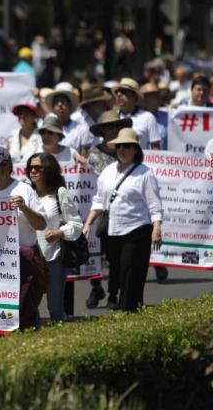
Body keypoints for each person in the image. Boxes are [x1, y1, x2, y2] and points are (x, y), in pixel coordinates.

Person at [83, 128, 162, 312]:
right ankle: (133, 307)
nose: (122, 149)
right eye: (119, 146)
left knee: (130, 269)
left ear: (135, 149)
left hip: (137, 230)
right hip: (112, 230)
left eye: (127, 146)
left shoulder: (145, 173)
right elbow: (98, 201)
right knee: (118, 271)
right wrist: (88, 223)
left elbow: (154, 204)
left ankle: (128, 310)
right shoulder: (108, 171)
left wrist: (157, 227)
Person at [0, 146, 46, 329]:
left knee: (23, 313)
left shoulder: (24, 190)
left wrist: (24, 208)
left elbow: (41, 225)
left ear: (6, 167)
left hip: (23, 263)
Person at [84, 111, 133, 309]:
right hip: (97, 209)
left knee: (115, 256)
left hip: (121, 211)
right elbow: (87, 181)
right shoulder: (94, 153)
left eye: (116, 126)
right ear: (102, 130)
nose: (112, 130)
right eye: (108, 126)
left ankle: (114, 292)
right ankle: (96, 287)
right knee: (93, 252)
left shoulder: (127, 150)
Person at [26, 153, 83, 323]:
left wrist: (60, 232)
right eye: (30, 167)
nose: (33, 170)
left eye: (38, 167)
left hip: (54, 257)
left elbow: (76, 223)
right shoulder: (26, 193)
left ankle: (61, 342)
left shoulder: (60, 193)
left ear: (49, 170)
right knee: (29, 306)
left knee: (55, 307)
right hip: (31, 258)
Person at [44, 83, 93, 157]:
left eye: (63, 101)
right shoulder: (46, 130)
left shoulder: (82, 129)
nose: (60, 104)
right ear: (53, 107)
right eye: (56, 102)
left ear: (70, 105)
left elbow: (84, 159)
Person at [115, 78, 161, 150]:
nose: (119, 94)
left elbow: (155, 148)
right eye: (117, 91)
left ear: (134, 96)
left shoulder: (148, 117)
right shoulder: (112, 117)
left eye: (123, 91)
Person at [139, 83, 168, 150]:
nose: (158, 99)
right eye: (154, 97)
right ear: (144, 100)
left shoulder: (167, 116)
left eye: (158, 96)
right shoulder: (137, 118)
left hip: (165, 158)